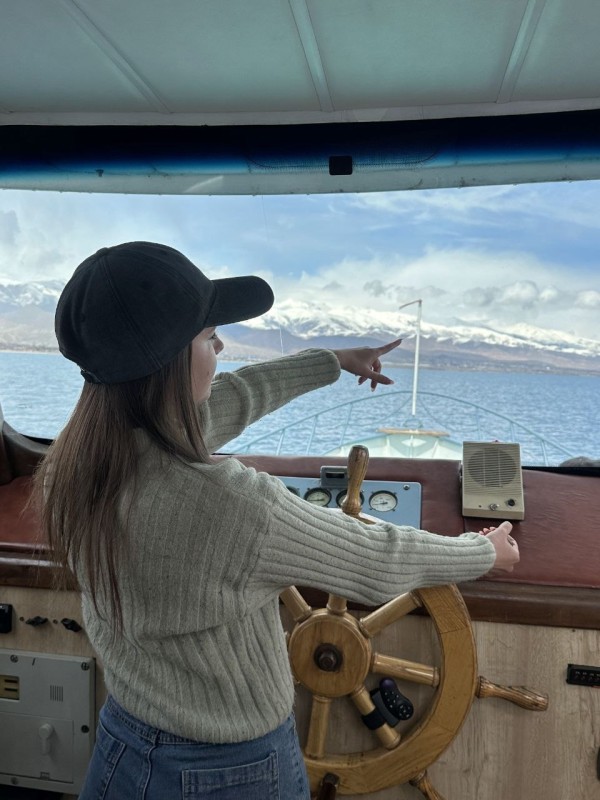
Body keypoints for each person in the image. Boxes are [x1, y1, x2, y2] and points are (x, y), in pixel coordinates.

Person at [33, 241, 519, 800]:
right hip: (228, 771)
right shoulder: (230, 507)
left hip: (123, 742)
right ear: (169, 366)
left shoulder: (72, 466)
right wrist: (485, 553)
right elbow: (377, 561)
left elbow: (234, 398)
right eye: (208, 336)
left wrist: (333, 361)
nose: (220, 345)